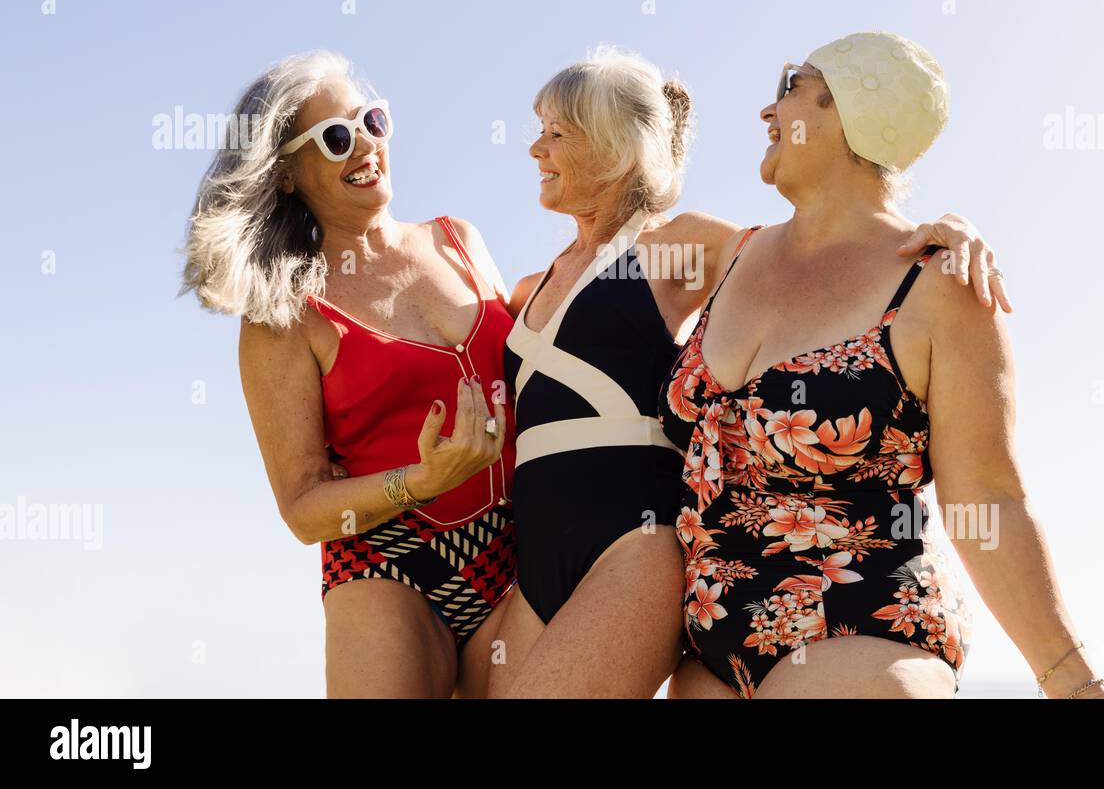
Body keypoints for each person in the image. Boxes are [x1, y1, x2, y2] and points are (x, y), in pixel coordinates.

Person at [489, 44, 1010, 697]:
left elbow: (812, 257)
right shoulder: (525, 290)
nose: (536, 149)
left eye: (555, 132)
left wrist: (944, 229)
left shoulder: (674, 245)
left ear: (612, 142)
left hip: (634, 542)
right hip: (539, 558)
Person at [659, 32, 1104, 699]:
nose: (767, 109)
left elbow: (989, 497)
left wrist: (1074, 684)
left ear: (848, 112)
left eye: (792, 85)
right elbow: (569, 289)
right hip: (704, 652)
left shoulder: (939, 287)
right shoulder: (719, 252)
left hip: (862, 632)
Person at [182, 51, 515, 698]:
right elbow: (304, 507)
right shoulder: (281, 314)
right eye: (336, 137)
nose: (365, 144)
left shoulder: (460, 240)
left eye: (373, 120)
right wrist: (419, 480)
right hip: (387, 562)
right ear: (285, 175)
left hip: (519, 546)